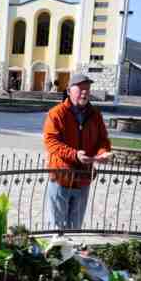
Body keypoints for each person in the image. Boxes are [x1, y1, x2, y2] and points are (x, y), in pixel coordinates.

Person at [42, 73, 112, 230]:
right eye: (80, 89)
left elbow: (103, 140)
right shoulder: (57, 113)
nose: (85, 92)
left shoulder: (95, 115)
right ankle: (55, 253)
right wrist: (74, 154)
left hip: (83, 179)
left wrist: (103, 152)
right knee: (56, 228)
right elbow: (51, 141)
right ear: (68, 91)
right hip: (61, 177)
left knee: (75, 227)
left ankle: (71, 253)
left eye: (87, 89)